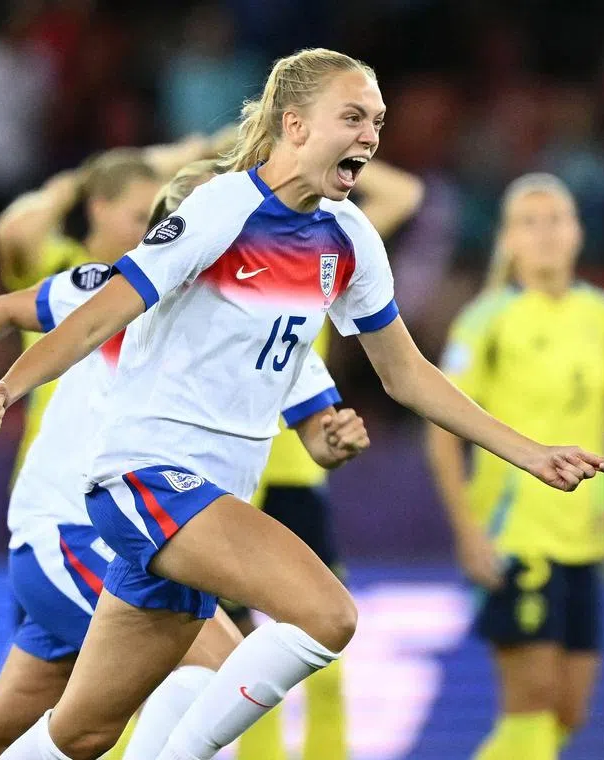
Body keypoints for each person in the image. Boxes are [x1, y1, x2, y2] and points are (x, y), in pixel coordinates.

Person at [0, 48, 604, 760]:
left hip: (213, 494)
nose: (371, 134)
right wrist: (10, 385)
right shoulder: (222, 207)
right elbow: (100, 313)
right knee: (327, 615)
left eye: (377, 120)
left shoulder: (350, 238)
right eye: (353, 116)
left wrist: (527, 451)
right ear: (296, 124)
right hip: (148, 479)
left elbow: (405, 373)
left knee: (80, 735)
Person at [0, 191, 366, 759]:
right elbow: (5, 306)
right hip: (72, 530)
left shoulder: (270, 325)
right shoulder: (121, 289)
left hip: (147, 542)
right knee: (214, 669)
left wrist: (336, 436)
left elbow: (320, 428)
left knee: (12, 736)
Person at [425, 173, 604, 760]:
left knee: (569, 711)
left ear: (578, 233)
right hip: (513, 533)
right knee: (533, 703)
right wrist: (468, 533)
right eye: (529, 221)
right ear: (508, 240)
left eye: (557, 219)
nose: (545, 233)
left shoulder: (602, 315)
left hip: (582, 536)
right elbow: (441, 433)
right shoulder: (486, 321)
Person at [221, 157, 424, 760]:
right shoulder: (212, 231)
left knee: (322, 639)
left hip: (294, 464)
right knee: (229, 654)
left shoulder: (327, 234)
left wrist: (317, 157)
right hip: (222, 470)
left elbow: (404, 192)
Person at [0, 136, 226, 482]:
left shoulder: (164, 277)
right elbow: (13, 234)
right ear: (98, 208)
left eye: (155, 215)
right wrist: (79, 182)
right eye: (137, 216)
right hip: (53, 475)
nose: (149, 227)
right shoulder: (58, 266)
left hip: (131, 473)